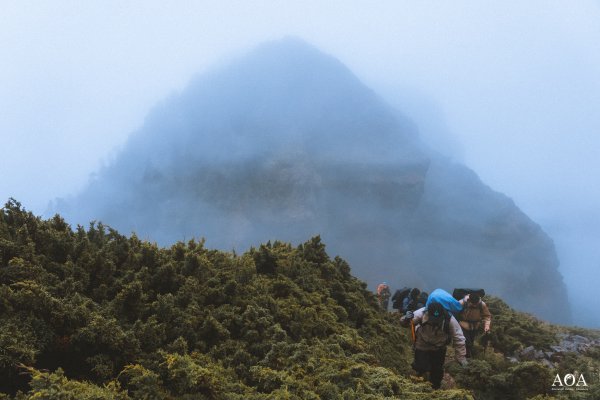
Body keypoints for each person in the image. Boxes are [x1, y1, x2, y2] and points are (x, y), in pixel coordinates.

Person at [400, 301, 467, 389]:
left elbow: (459, 338)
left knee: (437, 370)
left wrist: (461, 357)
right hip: (422, 344)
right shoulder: (421, 313)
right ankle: (418, 385)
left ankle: (435, 389)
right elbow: (407, 323)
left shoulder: (449, 319)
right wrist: (406, 318)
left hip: (439, 347)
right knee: (420, 367)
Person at [458, 293, 492, 358]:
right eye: (473, 303)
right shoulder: (462, 303)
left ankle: (468, 355)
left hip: (475, 326)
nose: (474, 305)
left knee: (471, 341)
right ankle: (465, 356)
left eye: (475, 303)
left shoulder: (481, 305)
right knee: (466, 341)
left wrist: (487, 326)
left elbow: (487, 316)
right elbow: (455, 312)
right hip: (463, 325)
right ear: (469, 300)